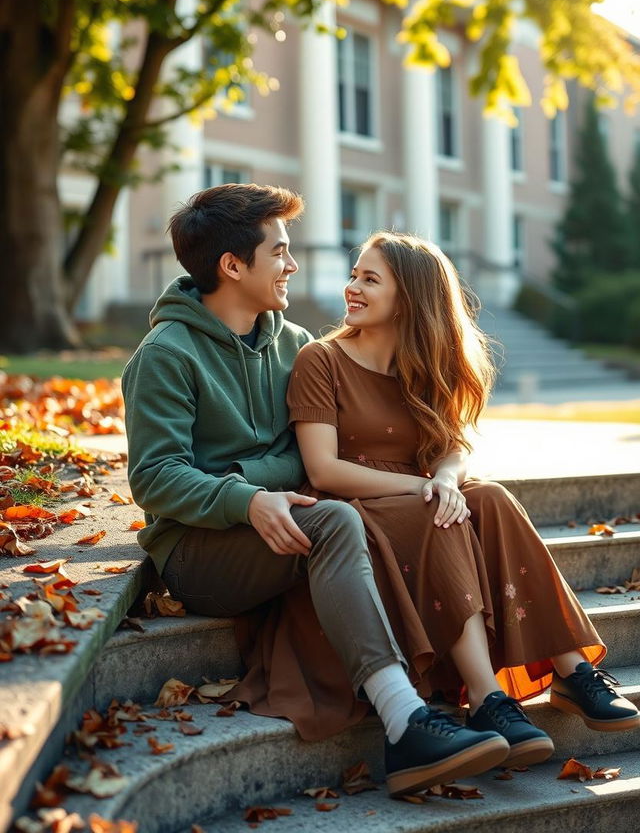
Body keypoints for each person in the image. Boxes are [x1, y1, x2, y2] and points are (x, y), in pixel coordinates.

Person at [121, 184, 512, 800]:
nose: (292, 265)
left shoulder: (294, 345)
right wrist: (245, 498)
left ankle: (462, 697)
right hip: (200, 552)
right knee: (335, 520)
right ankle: (405, 720)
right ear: (232, 266)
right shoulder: (165, 355)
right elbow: (155, 475)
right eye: (278, 252)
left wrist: (258, 480)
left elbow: (298, 457)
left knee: (392, 512)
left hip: (280, 526)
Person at [230, 230, 639, 769]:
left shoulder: (421, 367)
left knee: (487, 496)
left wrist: (445, 479)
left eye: (370, 279)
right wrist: (423, 487)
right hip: (355, 507)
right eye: (355, 274)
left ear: (412, 299)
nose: (352, 287)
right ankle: (488, 697)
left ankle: (571, 670)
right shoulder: (320, 360)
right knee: (439, 513)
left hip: (417, 499)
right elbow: (323, 469)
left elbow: (452, 448)